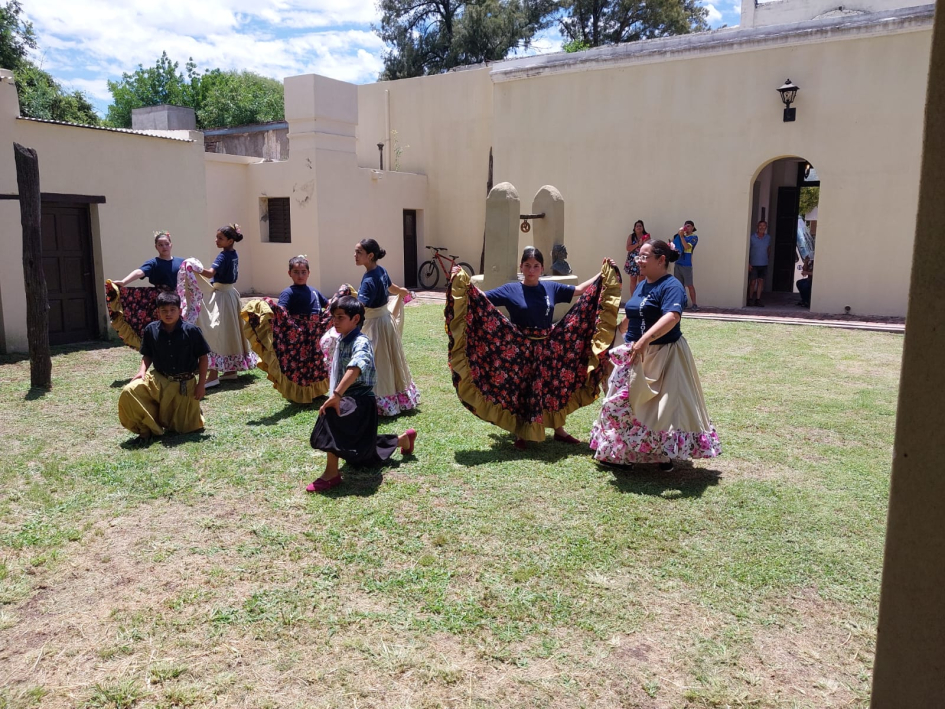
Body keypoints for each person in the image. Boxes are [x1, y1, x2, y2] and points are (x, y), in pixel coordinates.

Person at [446, 247, 622, 449]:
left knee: (554, 387)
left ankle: (559, 431)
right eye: (527, 266)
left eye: (536, 266)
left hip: (549, 347)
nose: (531, 270)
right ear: (521, 267)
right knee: (521, 389)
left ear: (542, 268)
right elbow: (478, 299)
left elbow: (580, 291)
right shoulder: (510, 289)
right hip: (520, 349)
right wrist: (460, 279)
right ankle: (521, 431)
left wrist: (603, 273)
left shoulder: (551, 288)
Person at [590, 240, 721, 469]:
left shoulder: (672, 286)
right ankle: (623, 453)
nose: (639, 261)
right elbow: (634, 313)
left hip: (664, 355)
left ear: (661, 260)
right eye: (638, 256)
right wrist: (615, 332)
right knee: (624, 402)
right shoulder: (642, 285)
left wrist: (644, 340)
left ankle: (663, 454)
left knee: (661, 410)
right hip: (635, 353)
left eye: (644, 257)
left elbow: (672, 317)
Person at [308, 296, 417, 492]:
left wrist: (337, 395)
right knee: (362, 455)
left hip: (360, 401)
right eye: (333, 317)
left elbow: (356, 365)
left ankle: (331, 474)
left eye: (341, 317)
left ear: (356, 319)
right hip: (349, 398)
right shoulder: (341, 338)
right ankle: (403, 439)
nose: (335, 321)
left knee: (332, 414)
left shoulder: (361, 342)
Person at [240, 255, 333, 404]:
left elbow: (328, 306)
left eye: (303, 272)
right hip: (298, 338)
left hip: (315, 337)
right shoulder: (288, 293)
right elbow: (281, 313)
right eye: (296, 272)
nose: (300, 275)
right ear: (289, 273)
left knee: (316, 364)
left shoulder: (314, 291)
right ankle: (300, 394)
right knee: (299, 365)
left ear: (309, 273)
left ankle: (316, 392)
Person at [117, 291, 209, 441]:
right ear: (157, 312)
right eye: (164, 311)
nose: (168, 314)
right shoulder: (151, 330)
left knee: (186, 428)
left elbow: (203, 358)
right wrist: (142, 371)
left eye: (172, 310)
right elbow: (148, 354)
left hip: (184, 384)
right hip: (159, 379)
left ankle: (192, 410)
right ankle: (147, 429)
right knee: (130, 391)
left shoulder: (191, 331)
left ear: (179, 311)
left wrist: (201, 384)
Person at [182, 224, 258, 388]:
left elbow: (210, 273)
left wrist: (195, 267)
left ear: (230, 240)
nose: (216, 241)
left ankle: (213, 373)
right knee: (228, 332)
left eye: (220, 238)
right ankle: (230, 371)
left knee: (214, 332)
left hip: (222, 297)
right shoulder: (233, 254)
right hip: (231, 295)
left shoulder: (223, 256)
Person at [353, 238, 420, 416]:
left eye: (359, 252)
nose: (355, 255)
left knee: (377, 363)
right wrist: (402, 292)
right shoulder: (380, 271)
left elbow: (361, 307)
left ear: (370, 255)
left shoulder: (369, 280)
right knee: (389, 361)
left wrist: (342, 305)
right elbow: (392, 288)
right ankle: (399, 398)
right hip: (385, 322)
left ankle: (379, 402)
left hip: (375, 325)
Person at [106, 231, 183, 350]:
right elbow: (139, 272)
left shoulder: (182, 262)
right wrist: (124, 282)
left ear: (171, 245)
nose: (164, 247)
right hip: (161, 300)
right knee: (162, 326)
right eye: (160, 245)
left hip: (179, 300)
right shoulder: (153, 263)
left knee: (179, 326)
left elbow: (194, 274)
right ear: (156, 247)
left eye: (166, 244)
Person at [671, 220, 699, 310]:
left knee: (689, 285)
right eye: (685, 226)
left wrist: (682, 236)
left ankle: (694, 304)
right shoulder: (679, 236)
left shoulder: (694, 237)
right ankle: (682, 302)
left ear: (693, 227)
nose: (687, 228)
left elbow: (686, 247)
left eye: (689, 226)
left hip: (687, 264)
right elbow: (672, 245)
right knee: (679, 285)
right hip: (678, 263)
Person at [747, 220, 772, 307]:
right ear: (757, 227)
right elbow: (748, 250)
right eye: (760, 226)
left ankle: (758, 299)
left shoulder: (768, 238)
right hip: (753, 263)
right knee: (752, 282)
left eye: (764, 226)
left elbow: (768, 249)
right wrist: (748, 263)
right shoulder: (752, 237)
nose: (762, 227)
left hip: (764, 263)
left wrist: (767, 259)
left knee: (761, 282)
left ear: (766, 227)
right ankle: (750, 299)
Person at [624, 220, 651, 292]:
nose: (639, 227)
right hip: (632, 261)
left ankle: (640, 298)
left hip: (642, 260)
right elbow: (628, 248)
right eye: (637, 226)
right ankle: (633, 299)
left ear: (643, 227)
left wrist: (644, 242)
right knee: (633, 280)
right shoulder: (631, 236)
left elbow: (648, 248)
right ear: (634, 228)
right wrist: (637, 244)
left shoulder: (646, 236)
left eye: (640, 226)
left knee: (642, 280)